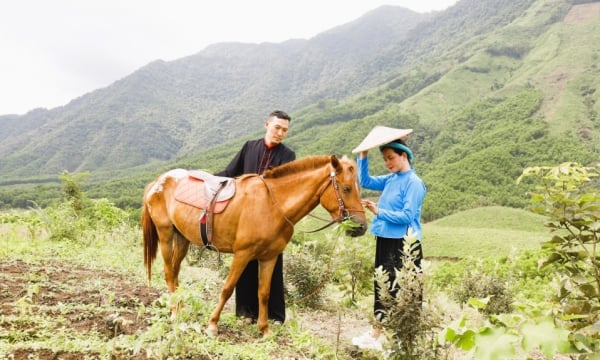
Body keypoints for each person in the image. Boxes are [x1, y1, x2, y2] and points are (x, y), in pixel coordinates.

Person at [215, 110, 295, 325]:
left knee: (272, 267)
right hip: (246, 217)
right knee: (245, 264)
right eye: (277, 127)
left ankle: (275, 316)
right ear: (266, 124)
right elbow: (231, 171)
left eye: (284, 130)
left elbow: (283, 188)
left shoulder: (288, 156)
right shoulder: (250, 146)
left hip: (270, 221)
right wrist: (209, 180)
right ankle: (245, 313)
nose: (280, 133)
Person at [351, 138, 427, 350]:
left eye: (391, 158)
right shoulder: (392, 178)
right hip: (385, 239)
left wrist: (379, 211)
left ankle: (404, 338)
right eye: (385, 159)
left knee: (405, 289)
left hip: (404, 244)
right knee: (382, 286)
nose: (387, 163)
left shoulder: (414, 183)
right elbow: (365, 180)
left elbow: (407, 216)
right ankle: (377, 334)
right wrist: (363, 155)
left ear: (404, 156)